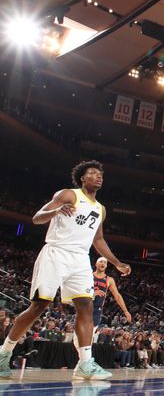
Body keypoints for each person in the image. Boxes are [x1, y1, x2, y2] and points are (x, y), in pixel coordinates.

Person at [0, 160, 131, 380]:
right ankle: (4, 353)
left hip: (80, 259)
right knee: (38, 306)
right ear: (83, 178)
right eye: (93, 173)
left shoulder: (101, 209)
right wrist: (58, 210)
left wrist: (117, 262)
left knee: (86, 307)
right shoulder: (68, 195)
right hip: (56, 253)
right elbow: (37, 218)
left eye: (100, 175)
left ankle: (85, 364)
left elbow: (98, 239)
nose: (98, 177)